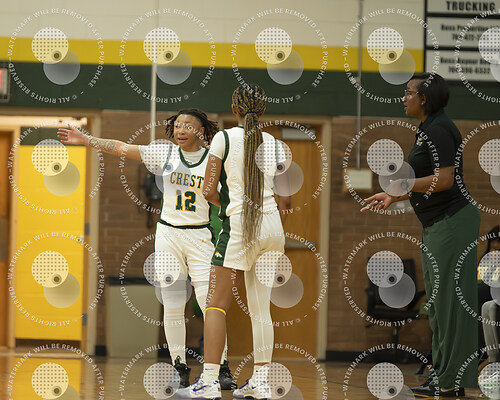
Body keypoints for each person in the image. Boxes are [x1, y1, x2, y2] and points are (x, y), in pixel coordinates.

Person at [57, 109, 236, 390]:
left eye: (188, 126)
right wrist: (87, 139)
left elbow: (228, 195)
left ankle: (221, 367)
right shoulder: (165, 154)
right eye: (177, 125)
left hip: (200, 235)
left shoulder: (213, 161)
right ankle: (179, 366)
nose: (180, 130)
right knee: (173, 303)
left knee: (210, 304)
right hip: (168, 234)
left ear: (201, 131)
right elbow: (121, 148)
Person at [361, 73, 481, 397]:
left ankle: (451, 381)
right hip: (436, 224)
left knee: (451, 304)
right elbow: (426, 181)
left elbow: (444, 179)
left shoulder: (440, 129)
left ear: (424, 98)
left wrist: (401, 185)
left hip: (453, 222)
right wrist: (394, 195)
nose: (403, 98)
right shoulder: (427, 128)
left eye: (408, 93)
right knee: (438, 305)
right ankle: (442, 376)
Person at [177, 84, 291, 399]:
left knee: (215, 304)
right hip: (272, 226)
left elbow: (208, 189)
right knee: (261, 309)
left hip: (240, 225)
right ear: (263, 110)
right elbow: (286, 199)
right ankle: (261, 382)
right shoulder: (277, 144)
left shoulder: (223, 138)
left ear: (234, 109)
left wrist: (224, 207)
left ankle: (209, 381)